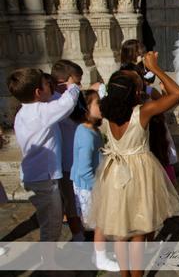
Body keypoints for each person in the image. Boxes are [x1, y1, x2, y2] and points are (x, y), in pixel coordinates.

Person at [89, 52, 179, 277]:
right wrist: (156, 68)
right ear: (135, 94)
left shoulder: (107, 112)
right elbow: (177, 93)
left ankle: (124, 274)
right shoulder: (142, 112)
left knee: (121, 231)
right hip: (139, 173)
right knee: (139, 229)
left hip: (113, 174)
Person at [7, 68, 79, 264]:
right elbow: (67, 104)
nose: (52, 86)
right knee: (52, 222)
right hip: (44, 178)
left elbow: (55, 102)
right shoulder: (41, 112)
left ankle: (50, 259)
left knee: (50, 217)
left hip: (36, 175)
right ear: (38, 92)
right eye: (47, 84)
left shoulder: (26, 111)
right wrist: (72, 86)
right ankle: (49, 264)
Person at [70, 89, 119, 271]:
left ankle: (99, 251)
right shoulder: (87, 135)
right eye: (98, 103)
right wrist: (99, 187)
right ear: (85, 109)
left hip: (93, 182)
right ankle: (100, 258)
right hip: (89, 185)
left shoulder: (91, 130)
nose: (102, 105)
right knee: (101, 222)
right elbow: (83, 170)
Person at [51, 59, 86, 242]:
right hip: (66, 161)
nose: (80, 86)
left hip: (80, 157)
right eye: (77, 81)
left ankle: (87, 229)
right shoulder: (56, 103)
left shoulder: (72, 98)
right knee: (71, 201)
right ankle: (78, 235)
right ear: (65, 82)